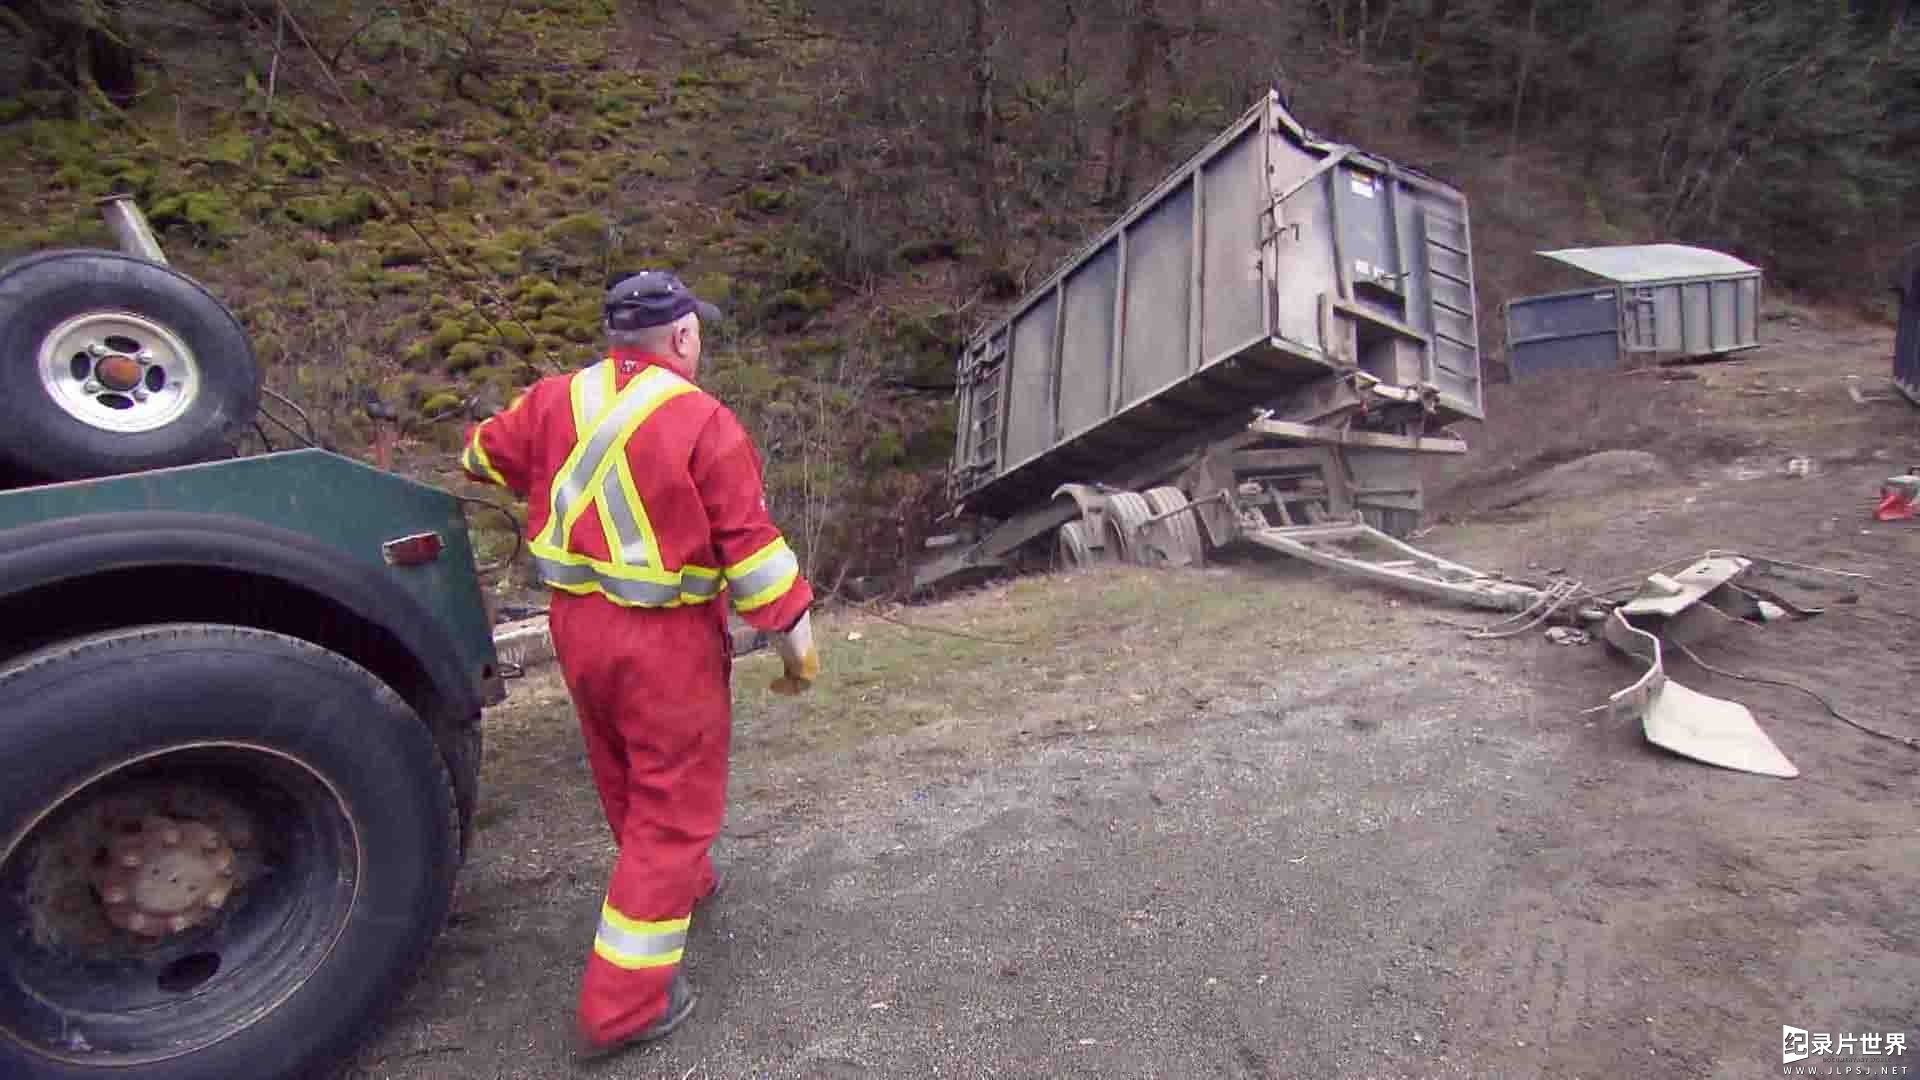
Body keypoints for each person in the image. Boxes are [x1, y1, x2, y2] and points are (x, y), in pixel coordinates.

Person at [457, 270, 820, 1059]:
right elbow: (751, 552)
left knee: (625, 775)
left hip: (576, 629)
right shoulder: (704, 419)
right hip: (664, 644)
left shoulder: (555, 398)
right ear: (683, 336)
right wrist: (794, 636)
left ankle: (677, 886)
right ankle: (624, 1007)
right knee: (672, 808)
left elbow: (480, 457)